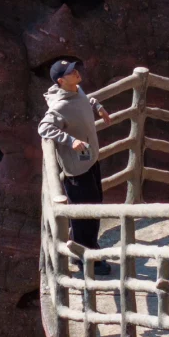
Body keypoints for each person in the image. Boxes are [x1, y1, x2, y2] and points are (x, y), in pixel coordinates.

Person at [38, 59, 111, 265]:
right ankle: (85, 258)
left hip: (89, 161)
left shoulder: (76, 90)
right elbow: (44, 128)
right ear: (61, 80)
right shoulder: (60, 105)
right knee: (84, 214)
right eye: (71, 72)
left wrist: (98, 106)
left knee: (95, 206)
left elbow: (85, 101)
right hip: (77, 170)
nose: (76, 73)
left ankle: (90, 248)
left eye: (75, 69)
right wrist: (70, 140)